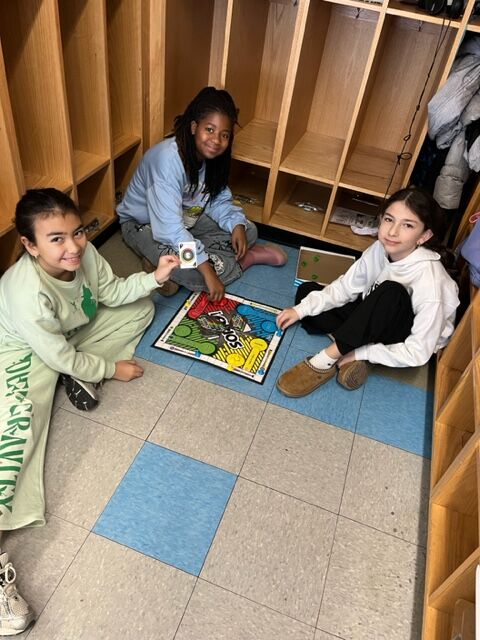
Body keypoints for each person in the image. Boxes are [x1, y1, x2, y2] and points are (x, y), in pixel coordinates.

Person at [0, 188, 179, 634]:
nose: (73, 246)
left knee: (139, 308)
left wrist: (155, 276)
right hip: (24, 355)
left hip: (64, 338)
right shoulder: (26, 292)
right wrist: (111, 369)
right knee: (20, 437)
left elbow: (113, 292)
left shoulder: (83, 255)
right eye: (56, 239)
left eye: (77, 232)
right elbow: (55, 354)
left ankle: (81, 374)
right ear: (29, 245)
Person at [276, 187, 460, 397]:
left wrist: (364, 351)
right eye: (389, 220)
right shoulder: (380, 248)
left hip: (403, 337)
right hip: (372, 314)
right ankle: (351, 348)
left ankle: (328, 358)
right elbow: (346, 287)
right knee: (306, 292)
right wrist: (300, 310)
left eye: (407, 225)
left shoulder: (431, 282)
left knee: (391, 291)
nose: (392, 232)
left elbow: (418, 352)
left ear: (424, 235)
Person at [117, 86, 287, 302]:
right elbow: (169, 229)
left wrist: (236, 224)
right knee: (193, 273)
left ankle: (172, 263)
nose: (216, 140)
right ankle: (246, 260)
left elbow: (216, 199)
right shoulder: (166, 161)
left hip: (186, 217)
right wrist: (207, 271)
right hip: (144, 225)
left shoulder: (210, 157)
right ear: (194, 127)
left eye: (224, 135)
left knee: (248, 231)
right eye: (209, 129)